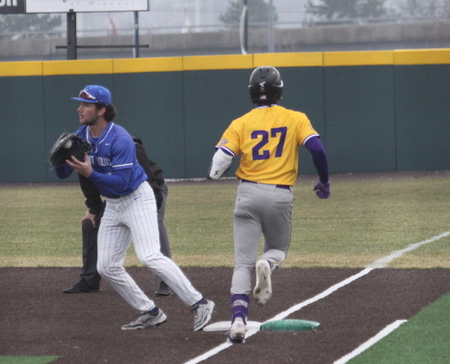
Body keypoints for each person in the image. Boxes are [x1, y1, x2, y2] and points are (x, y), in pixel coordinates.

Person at [62, 84, 215, 331]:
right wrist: (62, 163)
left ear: (101, 110)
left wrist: (90, 172)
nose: (79, 109)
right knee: (106, 266)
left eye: (86, 105)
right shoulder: (82, 136)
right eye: (80, 104)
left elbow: (122, 182)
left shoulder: (120, 138)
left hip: (136, 198)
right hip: (113, 204)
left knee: (149, 255)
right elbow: (67, 172)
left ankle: (200, 303)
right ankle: (150, 311)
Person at [209, 66, 330, 343]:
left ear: (251, 92)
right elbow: (317, 150)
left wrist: (215, 173)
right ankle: (268, 264)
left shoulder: (240, 122)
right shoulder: (295, 118)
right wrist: (324, 182)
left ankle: (238, 320)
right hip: (279, 195)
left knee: (242, 263)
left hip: (247, 194)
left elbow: (219, 163)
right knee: (278, 249)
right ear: (280, 89)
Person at [59, 136, 174, 298]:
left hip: (149, 189)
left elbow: (149, 180)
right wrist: (93, 209)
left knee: (154, 223)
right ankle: (89, 281)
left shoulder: (127, 146)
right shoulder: (84, 154)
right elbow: (88, 183)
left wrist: (150, 210)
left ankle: (167, 280)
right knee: (90, 223)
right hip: (118, 195)